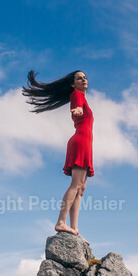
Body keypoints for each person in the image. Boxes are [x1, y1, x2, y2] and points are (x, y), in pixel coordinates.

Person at [22, 69, 93, 242]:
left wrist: (80, 108)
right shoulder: (77, 95)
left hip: (85, 143)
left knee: (81, 189)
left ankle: (74, 228)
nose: (84, 80)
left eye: (85, 77)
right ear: (73, 84)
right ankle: (61, 221)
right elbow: (77, 105)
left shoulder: (82, 97)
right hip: (80, 142)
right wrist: (77, 109)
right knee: (76, 185)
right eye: (79, 78)